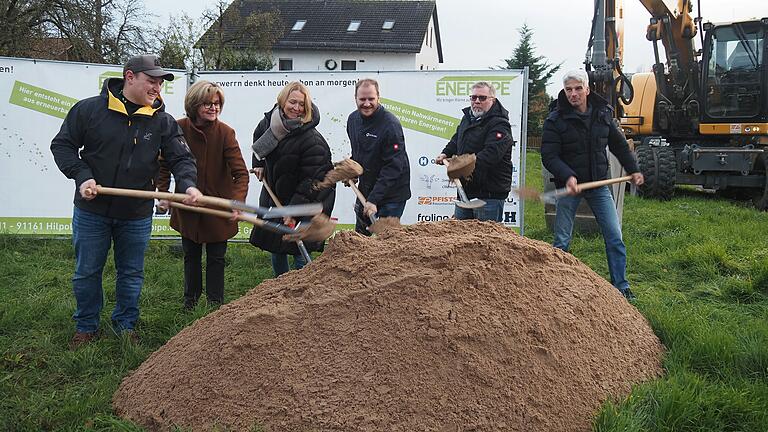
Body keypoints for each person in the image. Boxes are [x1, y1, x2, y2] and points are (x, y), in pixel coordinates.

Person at [50, 54, 202, 348]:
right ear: (129, 77)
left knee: (131, 273)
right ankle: (86, 326)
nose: (157, 87)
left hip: (135, 213)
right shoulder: (90, 110)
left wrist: (188, 185)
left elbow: (182, 158)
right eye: (151, 80)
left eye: (160, 82)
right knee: (87, 272)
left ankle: (125, 324)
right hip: (92, 209)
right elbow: (63, 145)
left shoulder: (162, 122)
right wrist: (83, 176)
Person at [541, 69, 644, 300]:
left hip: (598, 185)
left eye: (578, 88)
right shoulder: (555, 119)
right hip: (569, 187)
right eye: (569, 90)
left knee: (614, 235)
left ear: (587, 89)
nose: (574, 94)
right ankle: (556, 286)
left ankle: (621, 286)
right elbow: (549, 156)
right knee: (561, 240)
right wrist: (568, 176)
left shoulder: (602, 114)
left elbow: (618, 146)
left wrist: (634, 170)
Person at [156, 81, 249, 310]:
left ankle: (215, 304)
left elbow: (240, 174)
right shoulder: (178, 128)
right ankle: (190, 301)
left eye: (217, 103)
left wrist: (237, 202)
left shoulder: (225, 133)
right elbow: (163, 164)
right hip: (187, 205)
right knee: (191, 255)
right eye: (207, 103)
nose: (213, 108)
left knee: (217, 258)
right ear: (195, 104)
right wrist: (164, 193)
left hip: (217, 207)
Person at [250, 81, 335, 276]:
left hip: (304, 199)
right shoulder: (269, 124)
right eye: (292, 102)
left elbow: (311, 182)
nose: (296, 108)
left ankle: (303, 287)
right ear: (282, 101)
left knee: (298, 247)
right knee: (276, 246)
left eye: (301, 105)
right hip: (275, 194)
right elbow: (258, 144)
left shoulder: (312, 140)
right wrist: (259, 165)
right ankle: (280, 286)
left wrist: (294, 210)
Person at [436, 81, 514, 222]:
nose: (477, 101)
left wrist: (461, 166)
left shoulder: (500, 124)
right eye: (473, 97)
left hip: (489, 194)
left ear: (492, 100)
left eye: (482, 98)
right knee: (462, 239)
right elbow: (457, 139)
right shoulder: (467, 118)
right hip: (466, 190)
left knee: (486, 240)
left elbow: (491, 154)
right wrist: (445, 153)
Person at [347, 78, 411, 235]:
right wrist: (352, 170)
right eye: (362, 99)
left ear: (378, 98)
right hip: (366, 190)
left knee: (387, 246)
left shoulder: (390, 124)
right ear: (355, 98)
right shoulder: (353, 120)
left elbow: (394, 166)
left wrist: (374, 199)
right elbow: (359, 152)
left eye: (371, 99)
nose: (367, 103)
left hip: (392, 195)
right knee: (360, 240)